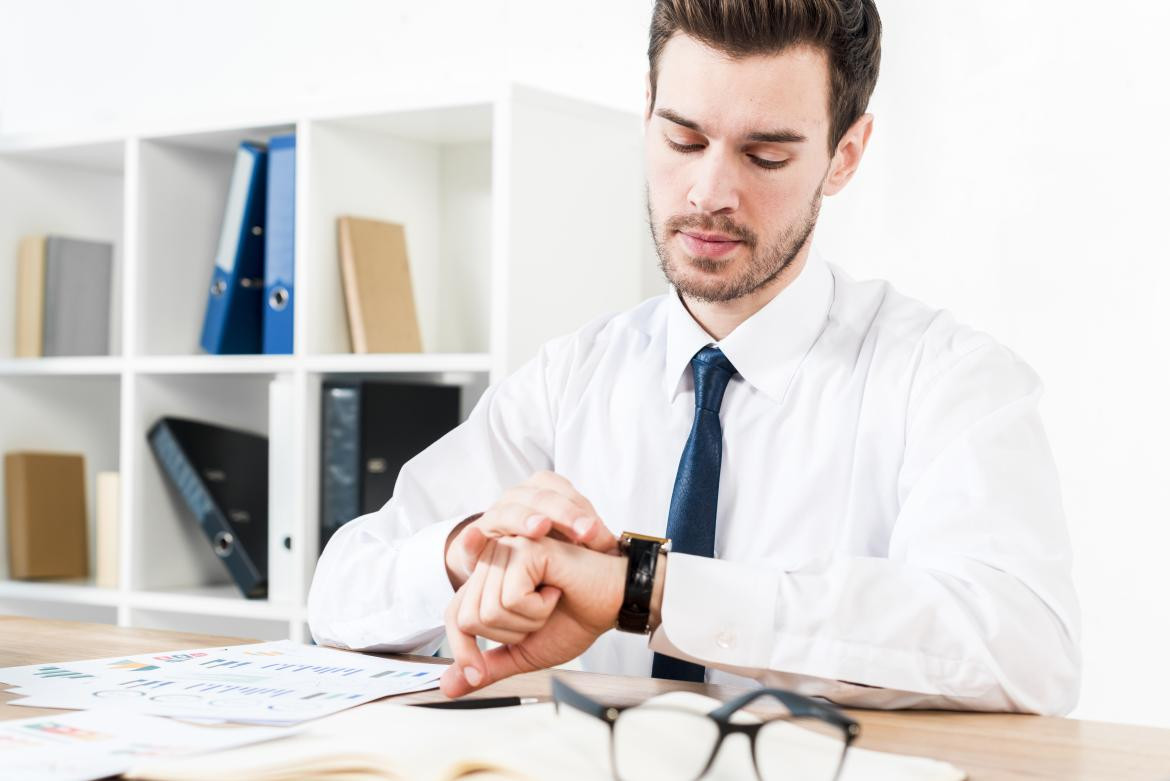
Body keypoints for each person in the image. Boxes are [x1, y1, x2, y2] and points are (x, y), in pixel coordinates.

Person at [307, 0, 1081, 715]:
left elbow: (1024, 648)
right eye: (683, 138)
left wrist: (644, 589)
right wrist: (469, 554)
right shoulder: (568, 378)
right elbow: (339, 588)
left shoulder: (946, 377)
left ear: (845, 155)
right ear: (646, 110)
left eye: (765, 155)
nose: (709, 192)